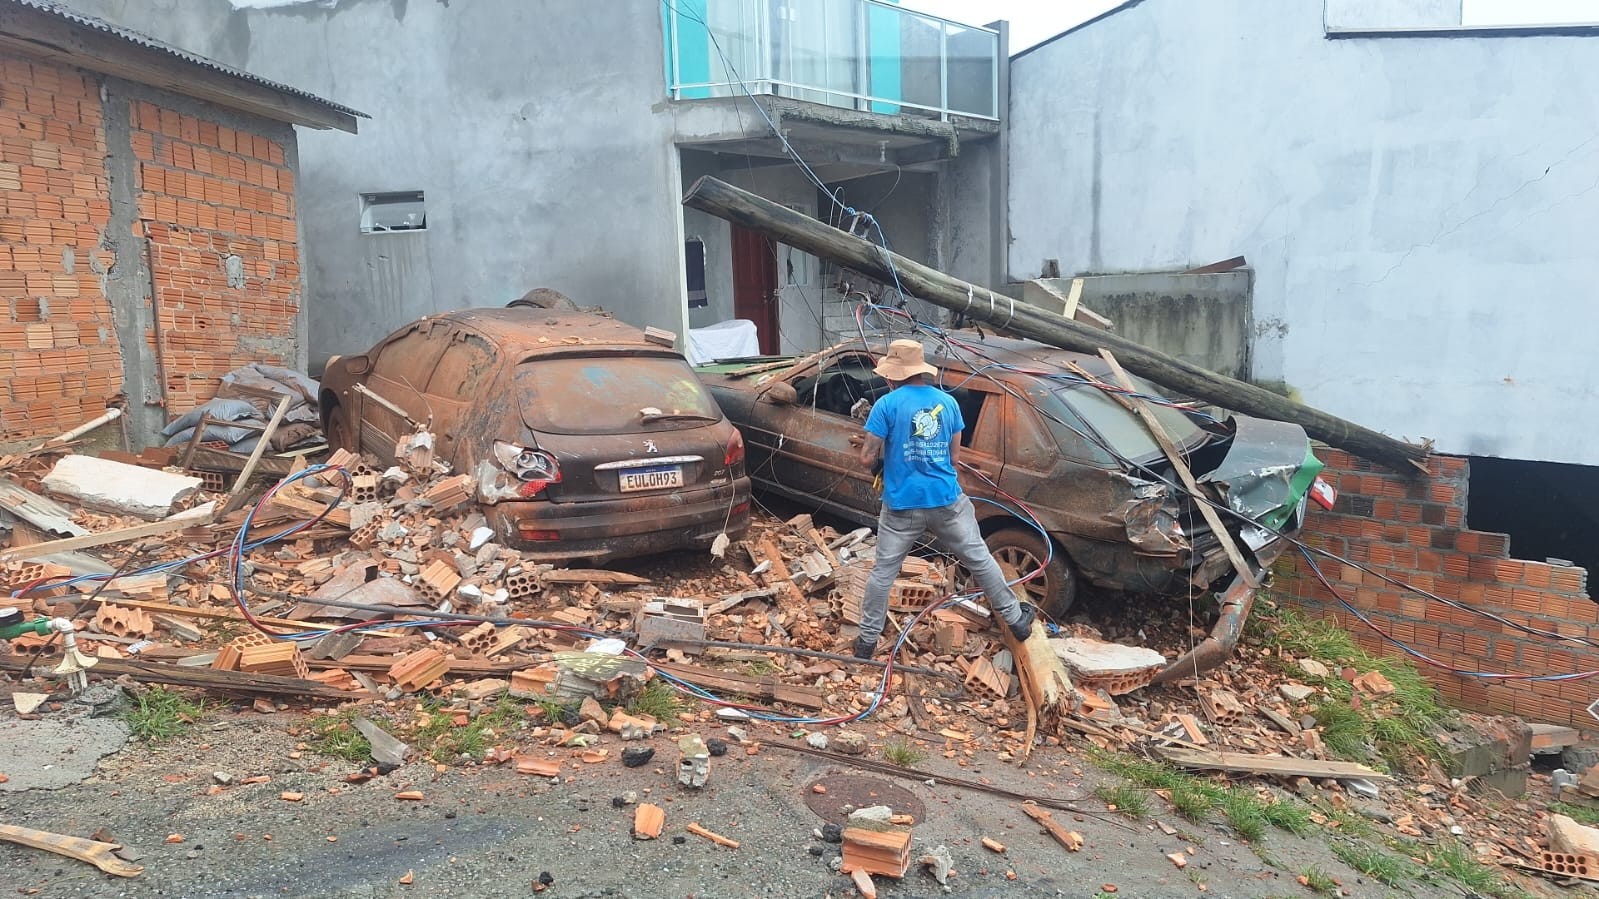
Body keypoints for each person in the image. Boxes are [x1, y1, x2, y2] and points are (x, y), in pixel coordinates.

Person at [853, 339, 1034, 659]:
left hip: (901, 506)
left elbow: (866, 459)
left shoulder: (886, 405)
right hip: (946, 502)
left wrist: (883, 461)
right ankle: (1016, 620)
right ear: (920, 371)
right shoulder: (948, 404)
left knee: (883, 572)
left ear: (893, 375)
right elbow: (953, 458)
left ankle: (866, 642)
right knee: (979, 559)